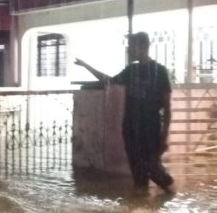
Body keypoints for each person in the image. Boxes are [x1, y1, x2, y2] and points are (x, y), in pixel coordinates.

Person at [75, 32, 175, 194]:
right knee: (137, 172)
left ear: (142, 47)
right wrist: (86, 66)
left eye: (131, 47)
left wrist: (164, 136)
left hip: (150, 129)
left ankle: (171, 194)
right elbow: (108, 80)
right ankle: (141, 211)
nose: (128, 50)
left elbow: (167, 107)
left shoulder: (160, 72)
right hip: (130, 129)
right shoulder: (131, 71)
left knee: (153, 168)